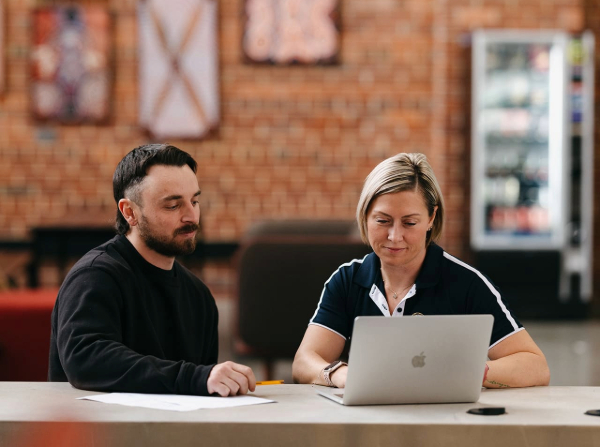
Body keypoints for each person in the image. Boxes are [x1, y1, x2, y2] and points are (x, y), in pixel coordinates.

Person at [293, 152, 550, 390]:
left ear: (431, 218)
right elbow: (304, 362)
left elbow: (535, 367)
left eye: (409, 222)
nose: (395, 236)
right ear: (365, 216)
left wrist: (467, 371)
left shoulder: (466, 283)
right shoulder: (347, 280)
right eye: (382, 221)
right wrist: (340, 374)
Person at [48, 144, 256, 397]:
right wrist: (194, 378)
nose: (191, 216)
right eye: (173, 206)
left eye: (195, 201)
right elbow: (85, 360)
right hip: (98, 433)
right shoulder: (95, 277)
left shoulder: (198, 296)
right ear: (130, 212)